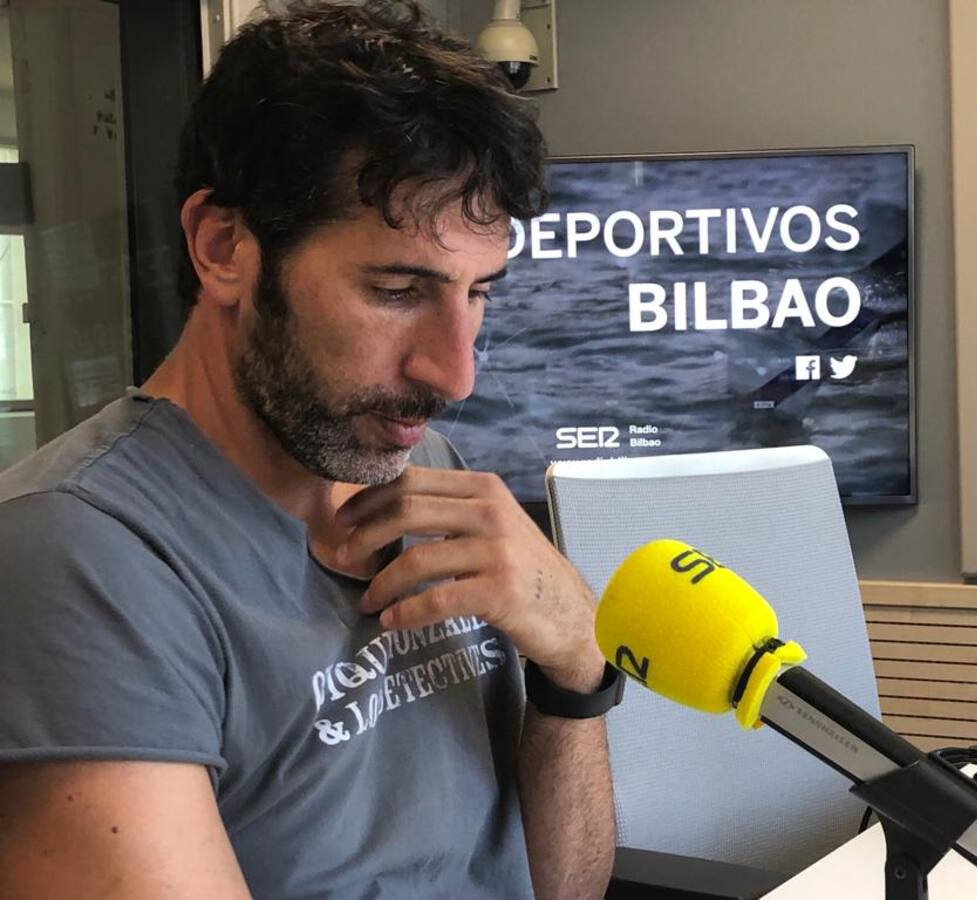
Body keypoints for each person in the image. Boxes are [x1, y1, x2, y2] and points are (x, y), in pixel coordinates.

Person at [0, 2, 619, 898]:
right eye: (398, 290)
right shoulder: (80, 559)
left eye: (479, 293)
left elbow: (565, 889)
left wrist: (575, 672)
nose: (455, 374)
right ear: (223, 247)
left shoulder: (432, 473)